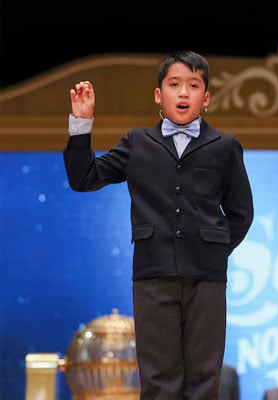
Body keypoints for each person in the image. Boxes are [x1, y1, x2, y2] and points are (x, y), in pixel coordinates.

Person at [64, 50, 254, 399]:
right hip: (152, 275)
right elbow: (84, 178)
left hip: (206, 280)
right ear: (158, 95)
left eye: (193, 85)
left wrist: (214, 250)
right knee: (158, 381)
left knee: (203, 381)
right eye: (175, 84)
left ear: (206, 97)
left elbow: (242, 213)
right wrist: (81, 125)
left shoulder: (225, 147)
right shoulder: (138, 143)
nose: (183, 93)